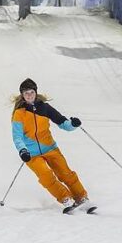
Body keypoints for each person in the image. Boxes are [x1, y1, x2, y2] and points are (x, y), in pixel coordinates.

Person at [11, 78, 95, 213]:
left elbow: (62, 123)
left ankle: (82, 198)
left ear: (35, 92)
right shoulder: (19, 113)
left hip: (50, 148)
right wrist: (23, 150)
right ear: (22, 95)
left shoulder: (44, 108)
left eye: (31, 92)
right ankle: (66, 199)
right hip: (31, 154)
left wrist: (72, 125)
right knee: (46, 176)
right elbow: (17, 136)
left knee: (65, 173)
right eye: (26, 93)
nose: (29, 95)